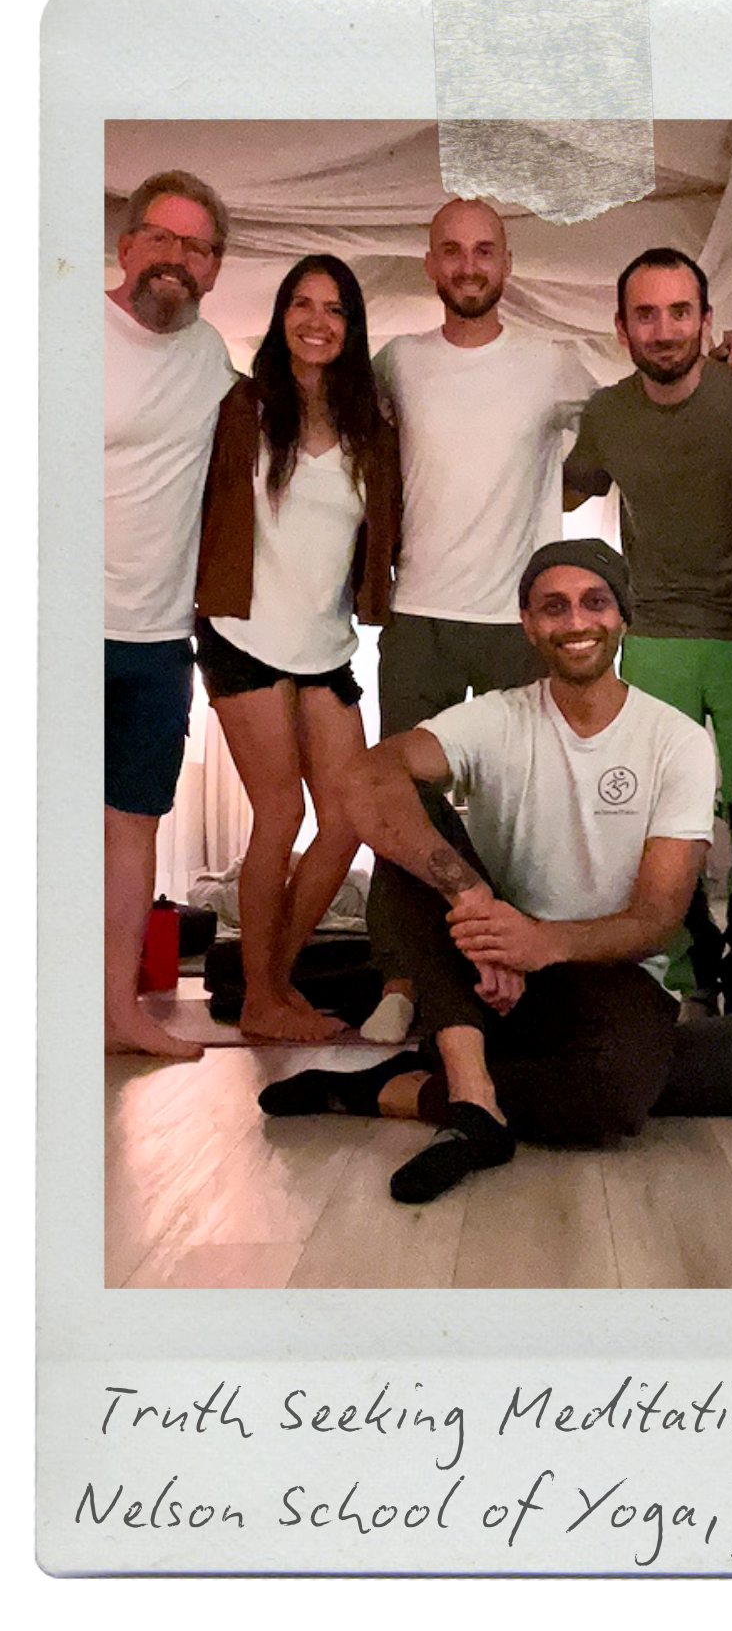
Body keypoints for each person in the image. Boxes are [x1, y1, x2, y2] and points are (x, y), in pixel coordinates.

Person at [258, 541, 732, 1202]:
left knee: (715, 1069)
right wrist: (476, 899)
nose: (575, 622)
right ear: (528, 624)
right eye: (554, 607)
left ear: (622, 617)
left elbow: (658, 919)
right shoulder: (497, 718)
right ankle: (471, 1087)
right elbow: (366, 774)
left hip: (602, 977)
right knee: (405, 825)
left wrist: (544, 944)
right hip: (482, 972)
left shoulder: (675, 742)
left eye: (594, 603)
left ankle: (397, 1088)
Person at [563, 248, 732, 1012]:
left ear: (706, 321)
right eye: (646, 314)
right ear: (621, 327)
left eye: (678, 312)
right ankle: (695, 969)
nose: (663, 330)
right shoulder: (605, 414)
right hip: (657, 635)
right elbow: (557, 486)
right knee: (656, 821)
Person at [194, 256, 402, 1044]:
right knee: (278, 813)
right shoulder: (242, 406)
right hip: (241, 634)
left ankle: (271, 985)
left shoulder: (369, 428)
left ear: (351, 328)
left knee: (348, 820)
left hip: (323, 644)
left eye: (334, 309)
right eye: (302, 305)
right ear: (283, 316)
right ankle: (262, 997)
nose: (317, 320)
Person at [372, 197, 598, 737]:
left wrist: (557, 492)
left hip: (518, 624)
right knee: (404, 798)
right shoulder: (397, 360)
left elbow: (623, 430)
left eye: (483, 251)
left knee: (521, 803)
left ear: (506, 263)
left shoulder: (551, 361)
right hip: (418, 619)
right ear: (429, 264)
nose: (468, 267)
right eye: (452, 251)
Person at [105, 170, 236, 1059]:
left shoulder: (212, 357)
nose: (177, 260)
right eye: (163, 238)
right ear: (126, 245)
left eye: (198, 248)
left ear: (216, 268)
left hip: (157, 641)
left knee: (131, 826)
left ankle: (119, 1010)